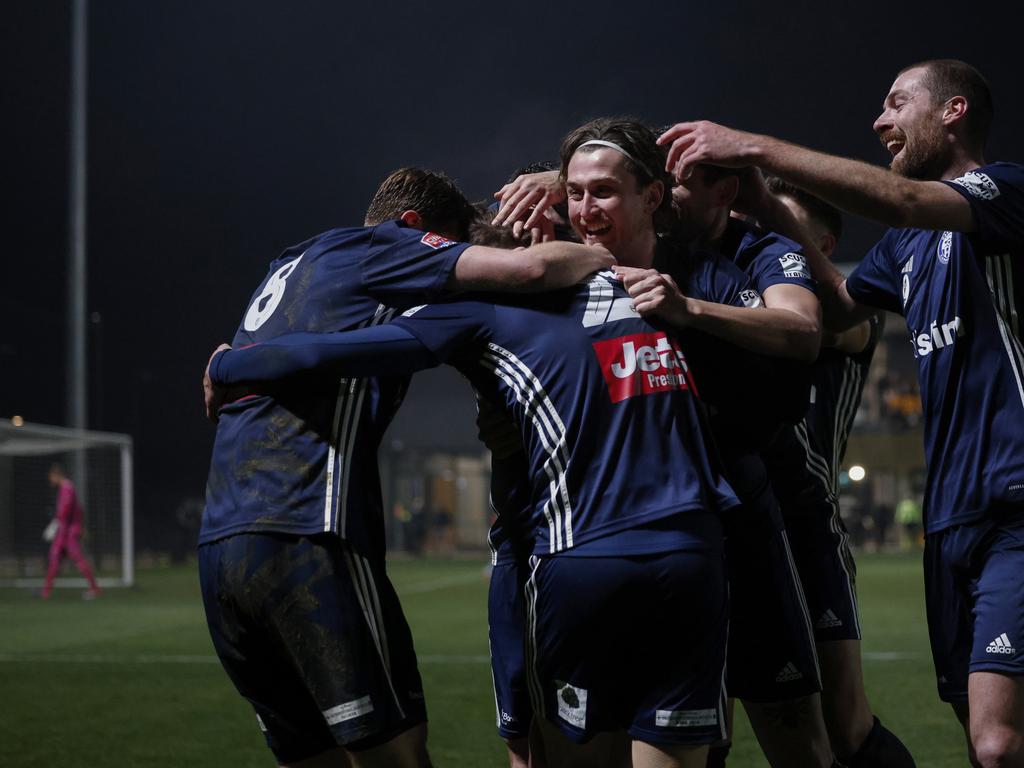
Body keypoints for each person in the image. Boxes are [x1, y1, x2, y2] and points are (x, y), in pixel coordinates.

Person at [205, 118, 779, 768]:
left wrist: (233, 363)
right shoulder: (616, 292)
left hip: (613, 558)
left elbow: (334, 350)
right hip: (635, 555)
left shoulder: (620, 292)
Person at [659, 59, 1024, 768]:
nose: (879, 121)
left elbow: (905, 201)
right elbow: (841, 302)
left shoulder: (1004, 190)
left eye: (895, 104)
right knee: (976, 731)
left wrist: (754, 146)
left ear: (952, 112)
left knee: (996, 742)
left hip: (1014, 498)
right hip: (951, 515)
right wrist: (764, 210)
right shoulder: (906, 246)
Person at [200, 167, 613, 768]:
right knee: (397, 755)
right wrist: (597, 253)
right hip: (307, 532)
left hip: (220, 547)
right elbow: (526, 271)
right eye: (450, 251)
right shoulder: (385, 248)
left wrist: (228, 363)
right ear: (416, 230)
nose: (451, 273)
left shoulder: (299, 261)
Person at [497, 126, 837, 768]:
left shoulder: (740, 257)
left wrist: (689, 312)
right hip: (624, 531)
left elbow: (805, 330)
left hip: (743, 503)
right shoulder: (568, 257)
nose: (670, 194)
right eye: (578, 192)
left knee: (801, 731)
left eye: (681, 181)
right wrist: (556, 184)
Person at [760, 178, 914, 767]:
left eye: (782, 225)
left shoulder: (853, 312)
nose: (767, 237)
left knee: (847, 726)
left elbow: (820, 324)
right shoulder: (752, 283)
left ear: (820, 243)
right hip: (739, 521)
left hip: (810, 525)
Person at [42, 463, 101, 600]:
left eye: (51, 477)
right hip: (65, 532)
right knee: (55, 558)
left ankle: (94, 588)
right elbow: (78, 509)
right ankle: (46, 591)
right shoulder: (65, 488)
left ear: (57, 475)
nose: (50, 480)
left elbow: (67, 508)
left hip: (68, 533)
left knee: (76, 560)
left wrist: (55, 525)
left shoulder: (67, 487)